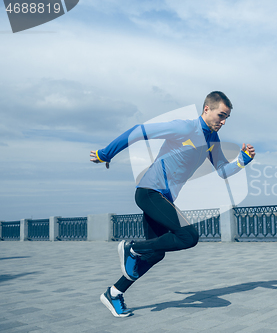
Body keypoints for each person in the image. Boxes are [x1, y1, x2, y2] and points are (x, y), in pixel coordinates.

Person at [90, 91, 255, 317]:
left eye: (226, 118)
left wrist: (242, 161)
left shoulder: (212, 140)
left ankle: (115, 292)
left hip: (163, 199)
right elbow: (139, 131)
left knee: (155, 253)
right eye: (221, 115)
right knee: (188, 237)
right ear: (207, 109)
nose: (223, 122)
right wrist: (106, 153)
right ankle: (132, 248)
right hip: (149, 192)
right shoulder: (185, 128)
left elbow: (223, 171)